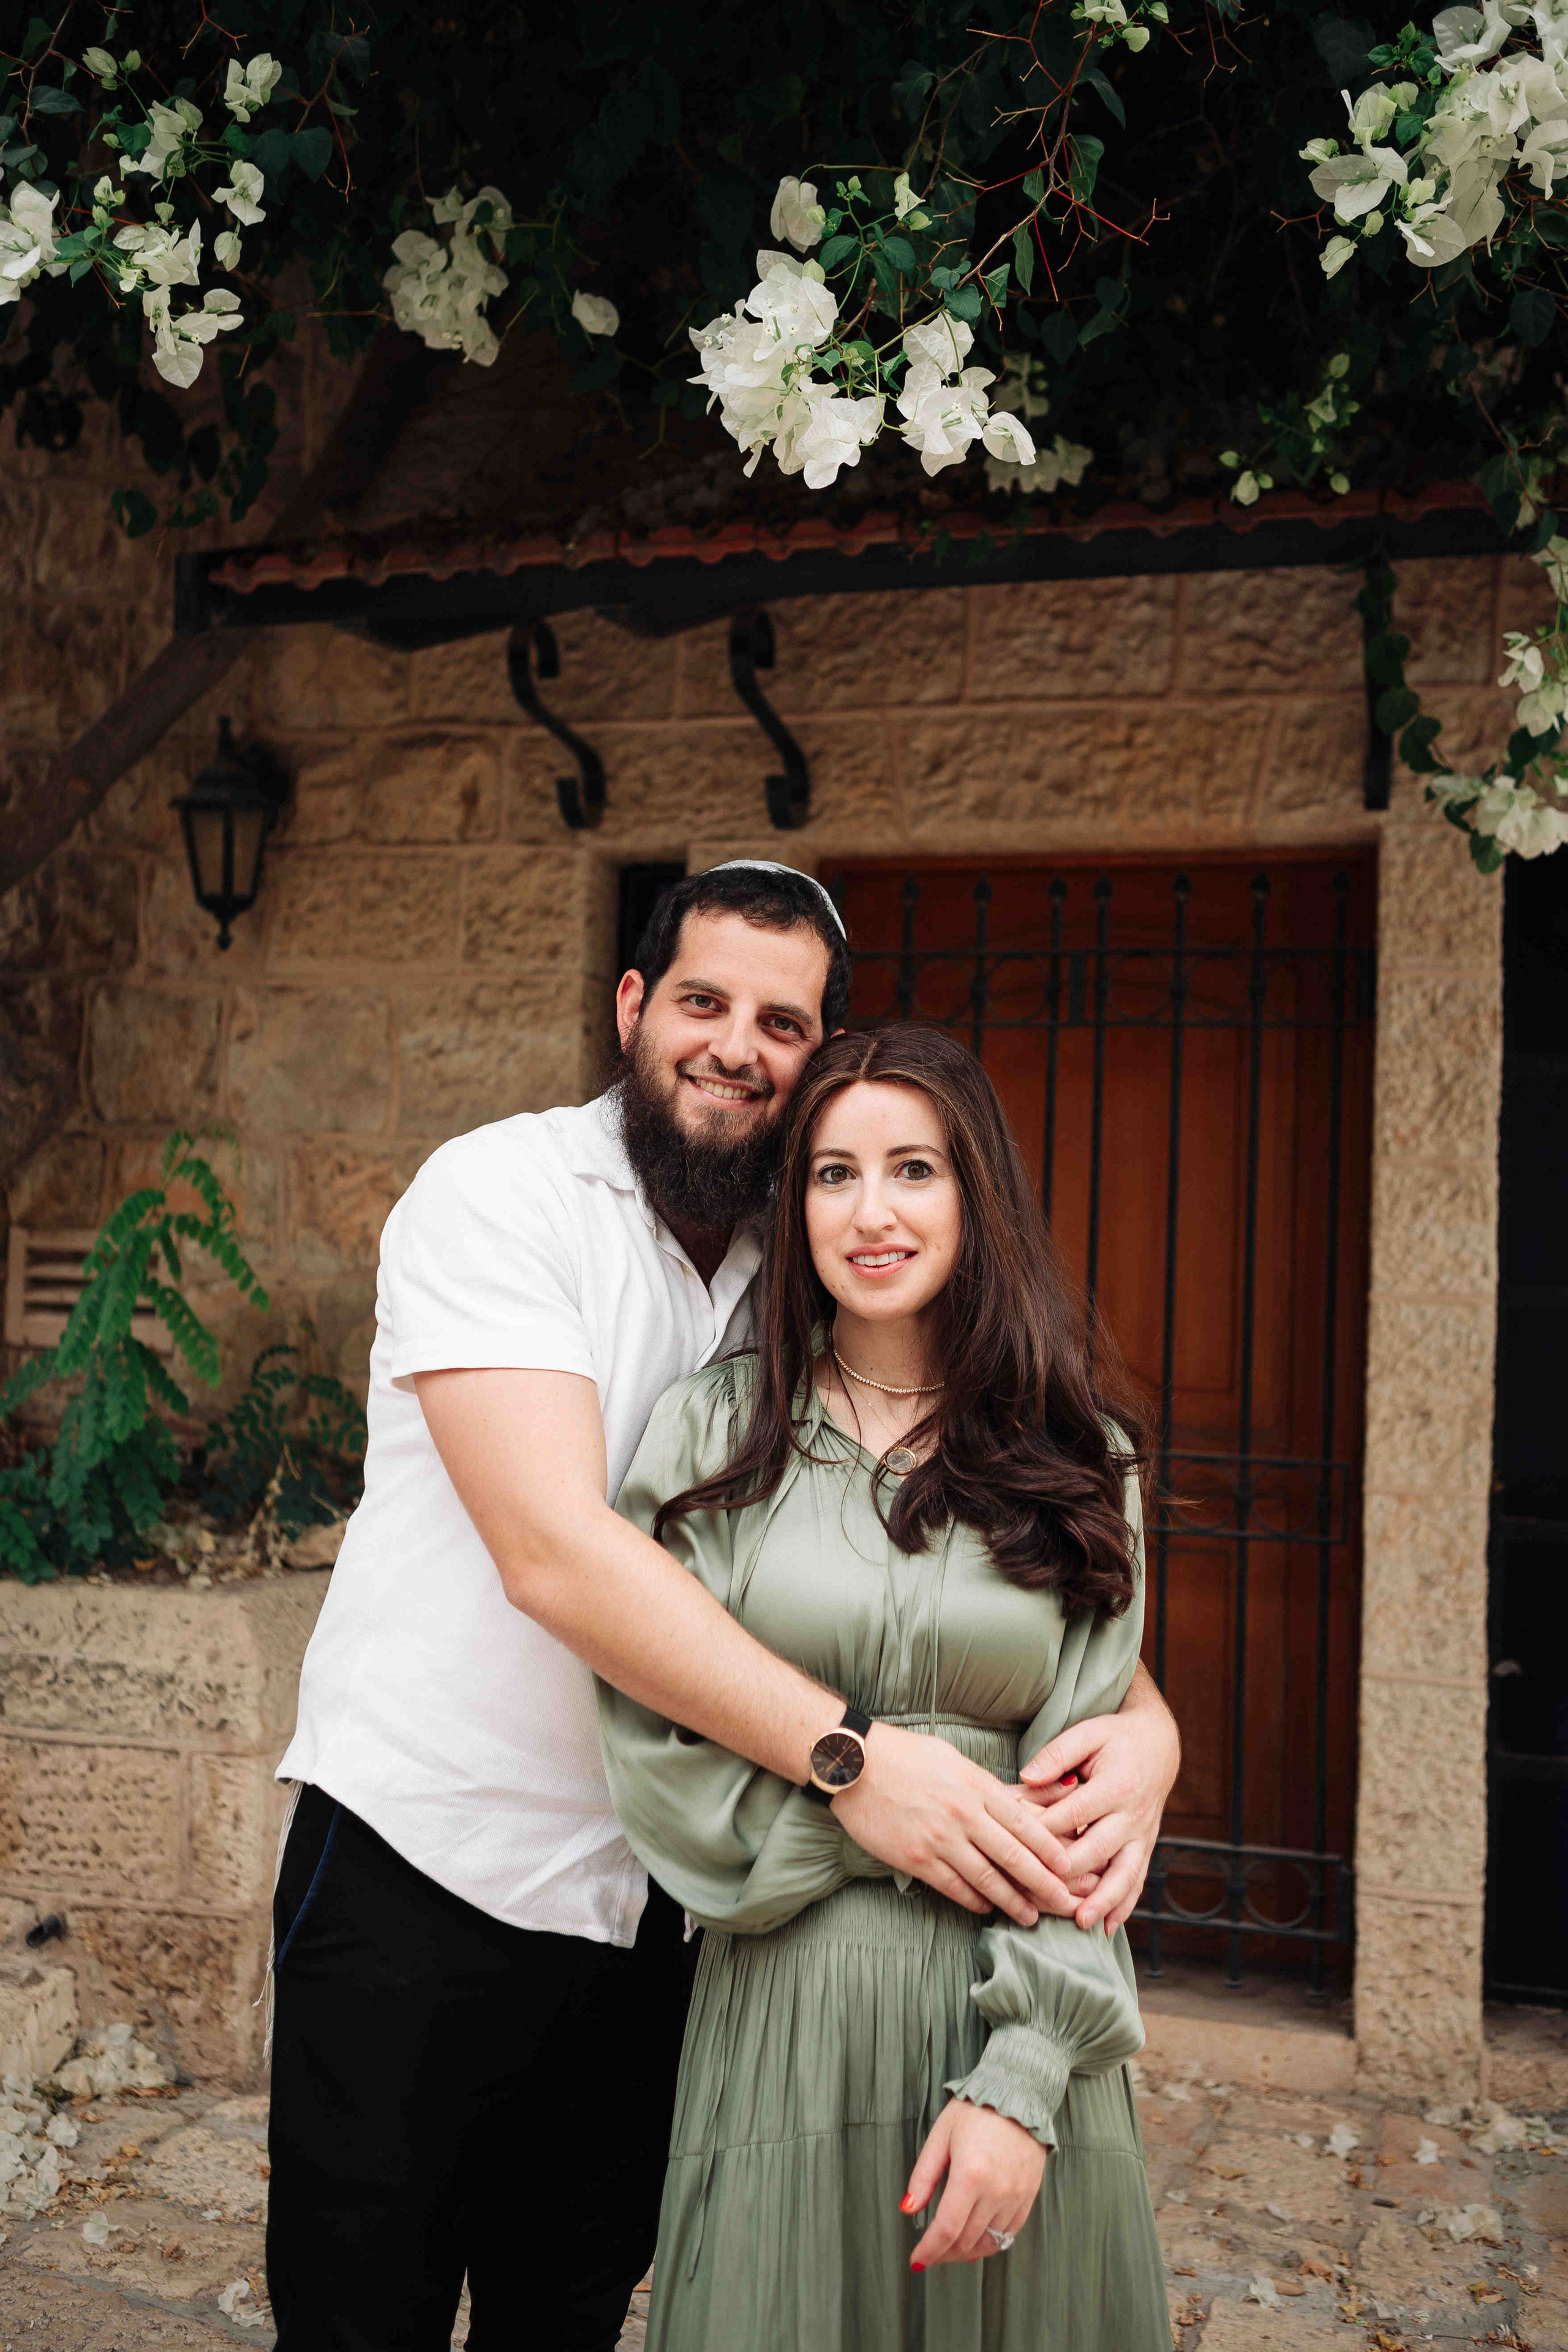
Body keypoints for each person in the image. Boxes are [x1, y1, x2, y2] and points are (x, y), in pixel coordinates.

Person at [265, 862, 1179, 2352]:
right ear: (631, 1006)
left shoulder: (804, 1259)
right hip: (431, 1866)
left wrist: (1143, 1724)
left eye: (780, 1023)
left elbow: (953, 1582)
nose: (735, 1047)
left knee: (564, 2318)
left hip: (669, 1917)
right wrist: (854, 1760)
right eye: (702, 1001)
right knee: (360, 2318)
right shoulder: (502, 1195)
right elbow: (555, 1553)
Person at [600, 1022, 1168, 2351]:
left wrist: (1026, 2075)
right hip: (784, 2010)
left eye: (914, 1169)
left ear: (976, 1195)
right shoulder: (713, 1435)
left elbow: (1090, 1798)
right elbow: (658, 1742)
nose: (872, 1213)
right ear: (791, 1206)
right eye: (832, 1174)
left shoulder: (1080, 1457)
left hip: (1011, 2002)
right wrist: (858, 1810)